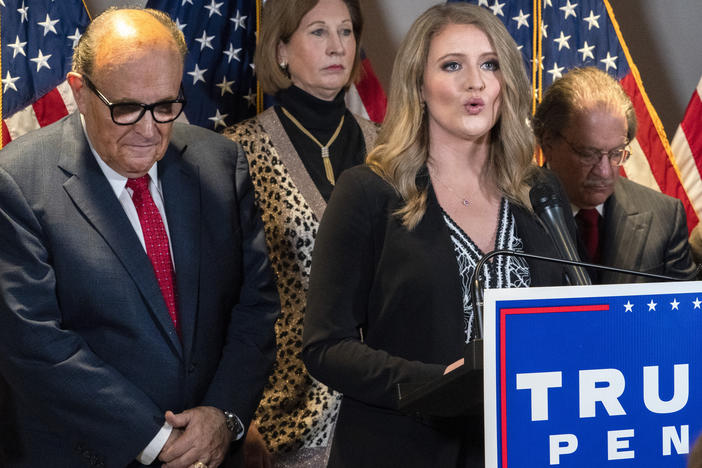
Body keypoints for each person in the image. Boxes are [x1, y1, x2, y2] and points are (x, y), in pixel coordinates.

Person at [0, 8, 279, 468]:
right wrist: (156, 440)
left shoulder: (221, 163)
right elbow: (34, 345)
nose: (150, 131)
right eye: (127, 108)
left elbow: (255, 306)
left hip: (212, 453)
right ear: (80, 91)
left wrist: (222, 416)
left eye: (166, 106)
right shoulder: (18, 182)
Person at [302, 3, 569, 467]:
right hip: (406, 448)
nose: (476, 83)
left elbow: (573, 319)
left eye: (489, 65)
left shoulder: (538, 192)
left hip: (528, 446)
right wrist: (437, 382)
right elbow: (326, 347)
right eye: (452, 66)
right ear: (418, 86)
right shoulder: (368, 193)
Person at [223, 0, 377, 466]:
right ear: (281, 49)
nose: (337, 47)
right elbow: (217, 299)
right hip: (281, 415)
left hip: (385, 404)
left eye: (346, 31)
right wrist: (234, 412)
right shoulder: (235, 153)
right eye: (318, 32)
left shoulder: (393, 148)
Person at [533, 66, 696, 283]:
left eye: (616, 154)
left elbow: (686, 312)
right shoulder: (508, 213)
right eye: (588, 153)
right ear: (548, 141)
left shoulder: (664, 216)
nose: (604, 171)